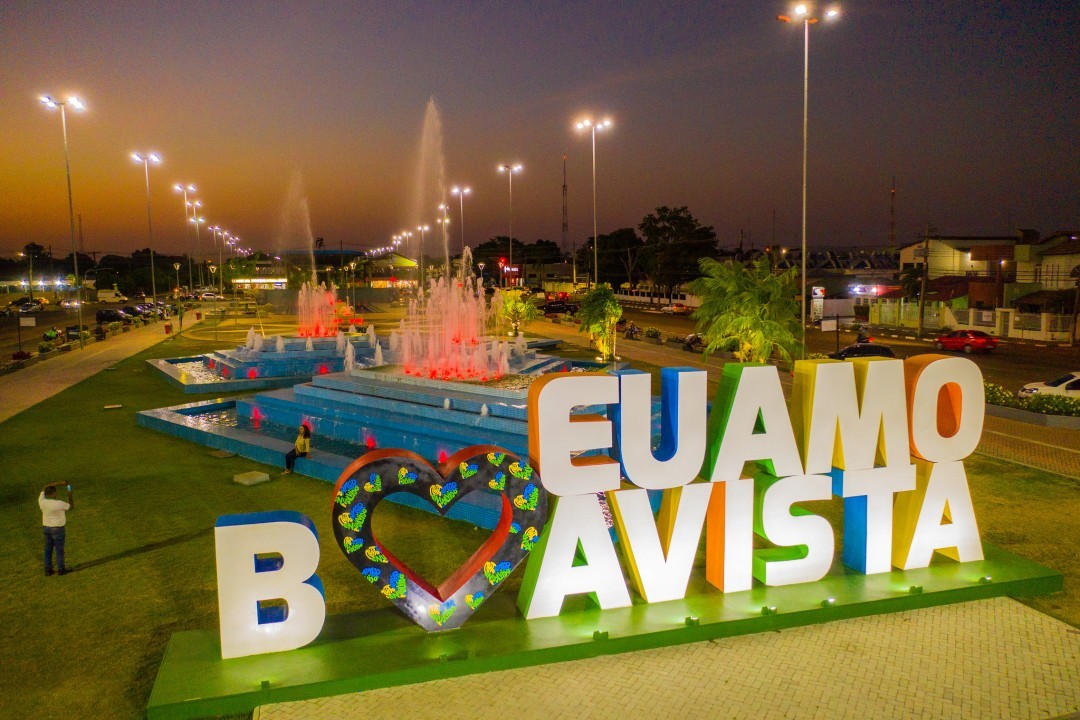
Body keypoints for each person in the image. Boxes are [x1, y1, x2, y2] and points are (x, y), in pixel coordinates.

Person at [39, 481, 73, 576]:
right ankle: (61, 569)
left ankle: (48, 570)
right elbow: (71, 507)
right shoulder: (59, 503)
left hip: (46, 528)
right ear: (54, 493)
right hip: (58, 529)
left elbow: (44, 486)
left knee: (48, 549)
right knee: (59, 549)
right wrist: (70, 495)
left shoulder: (42, 502)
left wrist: (58, 483)